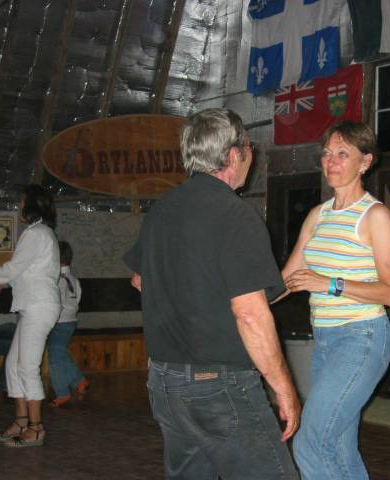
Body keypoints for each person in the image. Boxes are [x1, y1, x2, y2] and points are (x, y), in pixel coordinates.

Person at [124, 108, 300, 479]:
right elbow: (250, 314)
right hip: (219, 385)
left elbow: (140, 280)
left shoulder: (161, 210)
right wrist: (284, 388)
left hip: (165, 381)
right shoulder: (236, 215)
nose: (252, 156)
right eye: (250, 148)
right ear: (234, 155)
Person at [280, 121, 390, 479]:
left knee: (310, 443)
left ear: (365, 162)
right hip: (326, 341)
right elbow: (287, 280)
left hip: (362, 338)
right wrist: (241, 302)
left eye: (342, 154)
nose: (331, 161)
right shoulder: (317, 216)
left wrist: (329, 284)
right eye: (326, 153)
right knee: (337, 446)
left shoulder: (375, 216)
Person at [0, 184, 60, 448]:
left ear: (33, 204)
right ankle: (21, 422)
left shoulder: (36, 233)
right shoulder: (41, 234)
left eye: (22, 201)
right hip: (34, 305)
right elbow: (20, 274)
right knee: (13, 366)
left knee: (27, 367)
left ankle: (36, 428)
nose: (19, 206)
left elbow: (13, 268)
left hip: (38, 306)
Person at [46, 240, 88, 407]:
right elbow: (77, 300)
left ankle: (62, 392)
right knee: (59, 353)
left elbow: (54, 303)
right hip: (70, 321)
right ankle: (79, 380)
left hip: (58, 321)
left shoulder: (55, 279)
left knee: (55, 357)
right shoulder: (73, 279)